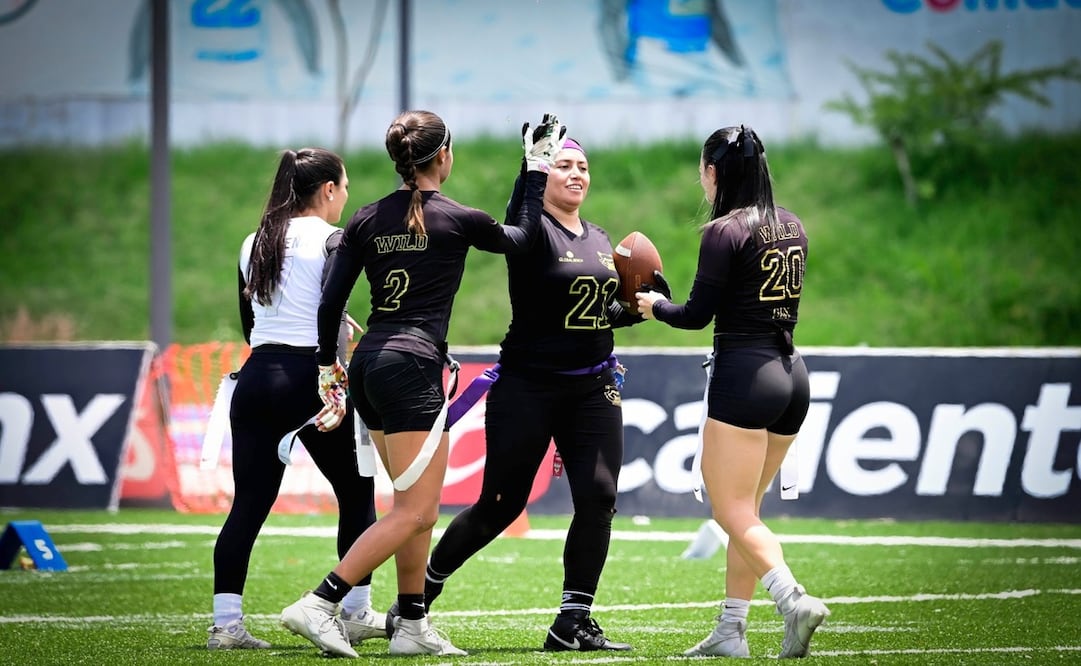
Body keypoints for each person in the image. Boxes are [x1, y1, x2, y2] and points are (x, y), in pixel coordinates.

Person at [279, 110, 565, 658]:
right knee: (418, 511)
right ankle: (321, 601)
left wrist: (325, 365)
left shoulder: (363, 219)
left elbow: (331, 302)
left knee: (412, 504)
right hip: (412, 366)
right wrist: (533, 168)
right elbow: (525, 238)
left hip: (368, 365)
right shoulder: (458, 217)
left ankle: (410, 623)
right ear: (443, 156)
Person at [407, 135, 656, 652]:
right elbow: (518, 216)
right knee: (499, 505)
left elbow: (599, 313)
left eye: (583, 166)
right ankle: (416, 602)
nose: (576, 174)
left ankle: (573, 621)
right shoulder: (530, 230)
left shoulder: (601, 237)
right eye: (563, 165)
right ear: (543, 176)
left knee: (599, 497)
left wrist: (637, 307)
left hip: (592, 385)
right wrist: (532, 166)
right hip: (528, 385)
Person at [636, 125, 829, 659]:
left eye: (703, 169)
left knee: (730, 510)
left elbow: (696, 315)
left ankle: (792, 599)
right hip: (792, 374)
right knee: (748, 512)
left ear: (714, 172)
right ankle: (730, 629)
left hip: (745, 376)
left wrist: (653, 305)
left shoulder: (723, 231)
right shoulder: (792, 224)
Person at [207, 147, 386, 650]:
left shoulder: (253, 240)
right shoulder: (333, 238)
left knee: (248, 505)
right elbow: (327, 308)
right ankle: (353, 611)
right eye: (344, 187)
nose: (346, 196)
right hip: (311, 376)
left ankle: (225, 624)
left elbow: (251, 325)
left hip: (259, 375)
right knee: (356, 495)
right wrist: (334, 364)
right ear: (328, 189)